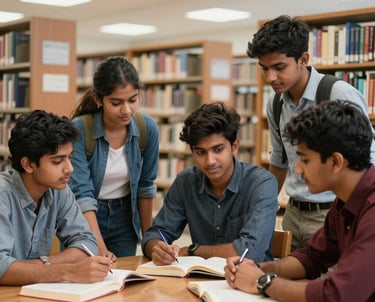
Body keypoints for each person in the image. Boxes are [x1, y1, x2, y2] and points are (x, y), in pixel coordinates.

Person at [224, 101, 375, 301]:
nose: (297, 170)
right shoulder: (344, 202)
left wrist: (263, 282)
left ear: (335, 162)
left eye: (305, 160)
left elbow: (338, 294)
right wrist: (258, 269)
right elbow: (312, 257)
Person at [247, 15, 375, 250]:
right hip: (292, 214)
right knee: (290, 277)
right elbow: (279, 162)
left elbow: (368, 161)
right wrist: (263, 211)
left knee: (331, 284)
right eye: (264, 69)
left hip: (334, 212)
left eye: (279, 67)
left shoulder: (338, 94)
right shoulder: (275, 104)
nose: (270, 78)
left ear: (302, 59)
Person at [141, 101, 279, 265]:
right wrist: (157, 248)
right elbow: (155, 234)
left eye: (218, 149)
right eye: (201, 152)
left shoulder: (261, 183)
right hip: (199, 282)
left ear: (234, 146)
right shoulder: (186, 182)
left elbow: (249, 252)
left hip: (247, 283)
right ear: (192, 152)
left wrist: (194, 251)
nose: (210, 161)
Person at [0, 110, 113, 285]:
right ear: (28, 164)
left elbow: (88, 242)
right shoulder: (3, 194)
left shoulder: (59, 190)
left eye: (69, 158)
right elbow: (1, 268)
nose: (69, 169)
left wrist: (41, 265)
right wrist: (68, 271)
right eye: (57, 161)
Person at [69, 56, 159, 259]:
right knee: (89, 278)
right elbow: (82, 193)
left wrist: (149, 242)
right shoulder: (80, 129)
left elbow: (146, 186)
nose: (126, 110)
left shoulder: (148, 129)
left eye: (133, 100)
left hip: (125, 217)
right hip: (86, 216)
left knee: (122, 281)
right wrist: (99, 246)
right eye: (116, 103)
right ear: (98, 99)